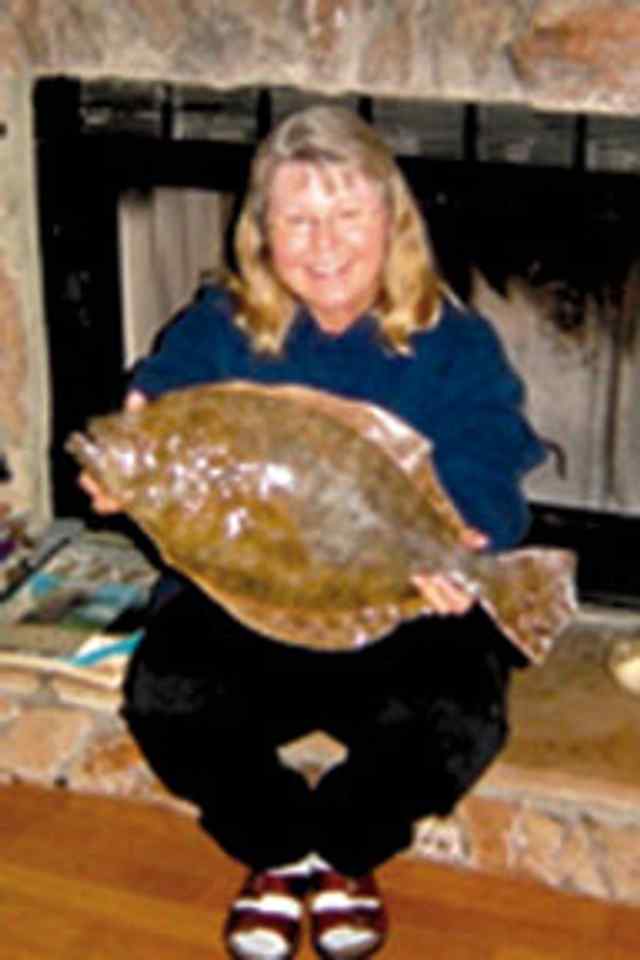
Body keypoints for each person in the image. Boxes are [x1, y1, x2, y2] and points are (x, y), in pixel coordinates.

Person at [80, 105, 546, 960]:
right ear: (261, 232)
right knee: (167, 697)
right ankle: (279, 851)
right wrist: (127, 462)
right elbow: (160, 403)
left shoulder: (454, 343)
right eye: (297, 218)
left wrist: (461, 538)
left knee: (459, 720)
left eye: (347, 216)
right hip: (252, 604)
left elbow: (491, 457)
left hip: (396, 598)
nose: (323, 243)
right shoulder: (218, 329)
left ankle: (341, 856)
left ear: (391, 223)